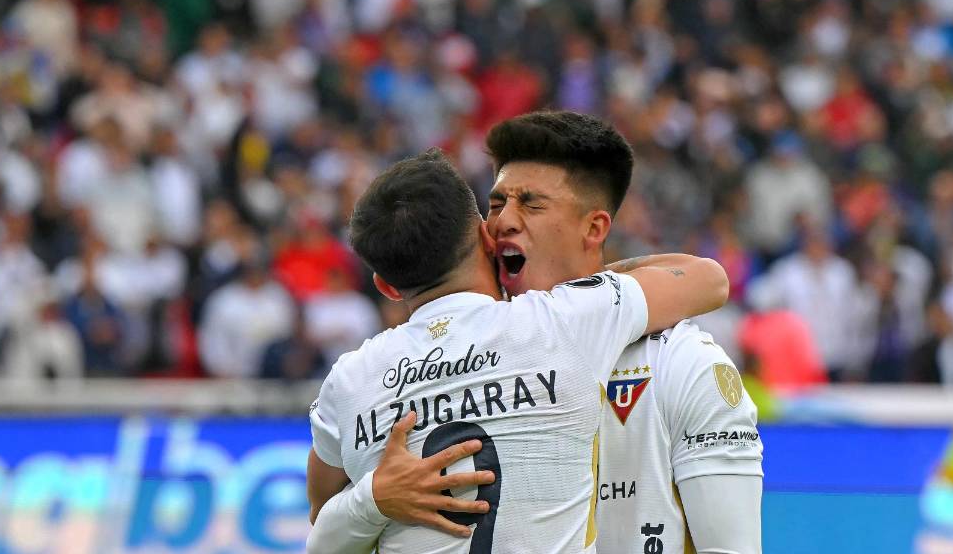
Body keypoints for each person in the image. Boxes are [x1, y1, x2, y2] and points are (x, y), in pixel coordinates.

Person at [305, 150, 729, 553]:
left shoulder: (348, 381)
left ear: (386, 285)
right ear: (485, 237)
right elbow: (708, 279)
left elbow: (321, 517)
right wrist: (597, 286)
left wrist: (374, 498)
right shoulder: (565, 319)